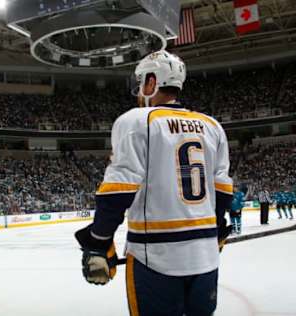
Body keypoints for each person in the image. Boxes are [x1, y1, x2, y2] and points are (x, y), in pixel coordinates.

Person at [74, 51, 233, 316]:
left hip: (156, 259)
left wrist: (98, 241)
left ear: (151, 82)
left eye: (140, 83)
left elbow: (118, 192)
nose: (138, 90)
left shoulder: (136, 120)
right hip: (206, 259)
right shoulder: (212, 126)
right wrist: (214, 231)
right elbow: (223, 190)